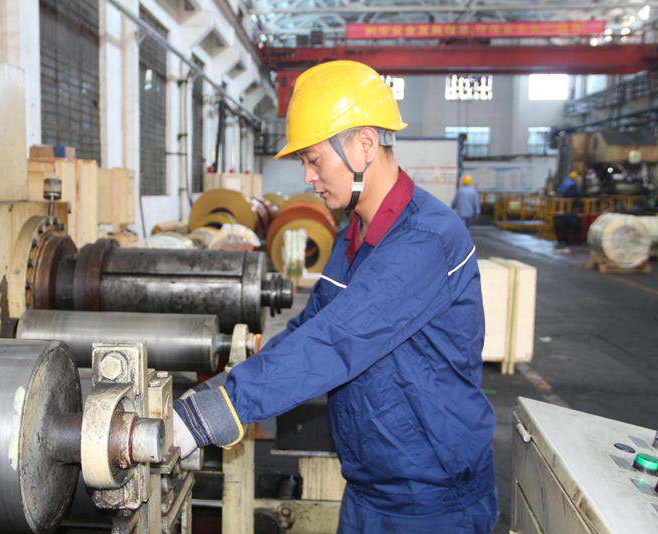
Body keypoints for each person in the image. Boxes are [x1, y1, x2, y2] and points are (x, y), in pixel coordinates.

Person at [173, 61, 497, 534]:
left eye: (314, 159)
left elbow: (338, 341)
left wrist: (215, 415)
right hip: (370, 488)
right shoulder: (356, 236)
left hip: (431, 501)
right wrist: (213, 393)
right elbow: (310, 329)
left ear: (364, 144)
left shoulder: (425, 240)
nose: (308, 176)